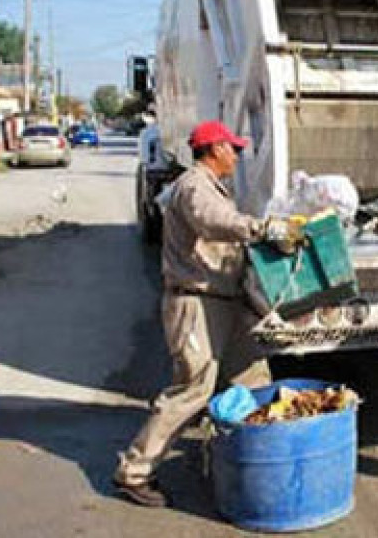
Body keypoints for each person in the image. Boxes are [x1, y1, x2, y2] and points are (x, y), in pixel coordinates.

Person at [113, 120, 288, 507]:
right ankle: (135, 471)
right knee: (192, 390)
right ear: (215, 149)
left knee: (254, 382)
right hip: (195, 304)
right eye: (234, 149)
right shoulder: (194, 185)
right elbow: (213, 221)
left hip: (226, 306)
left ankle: (240, 457)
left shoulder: (212, 187)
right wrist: (261, 229)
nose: (238, 156)